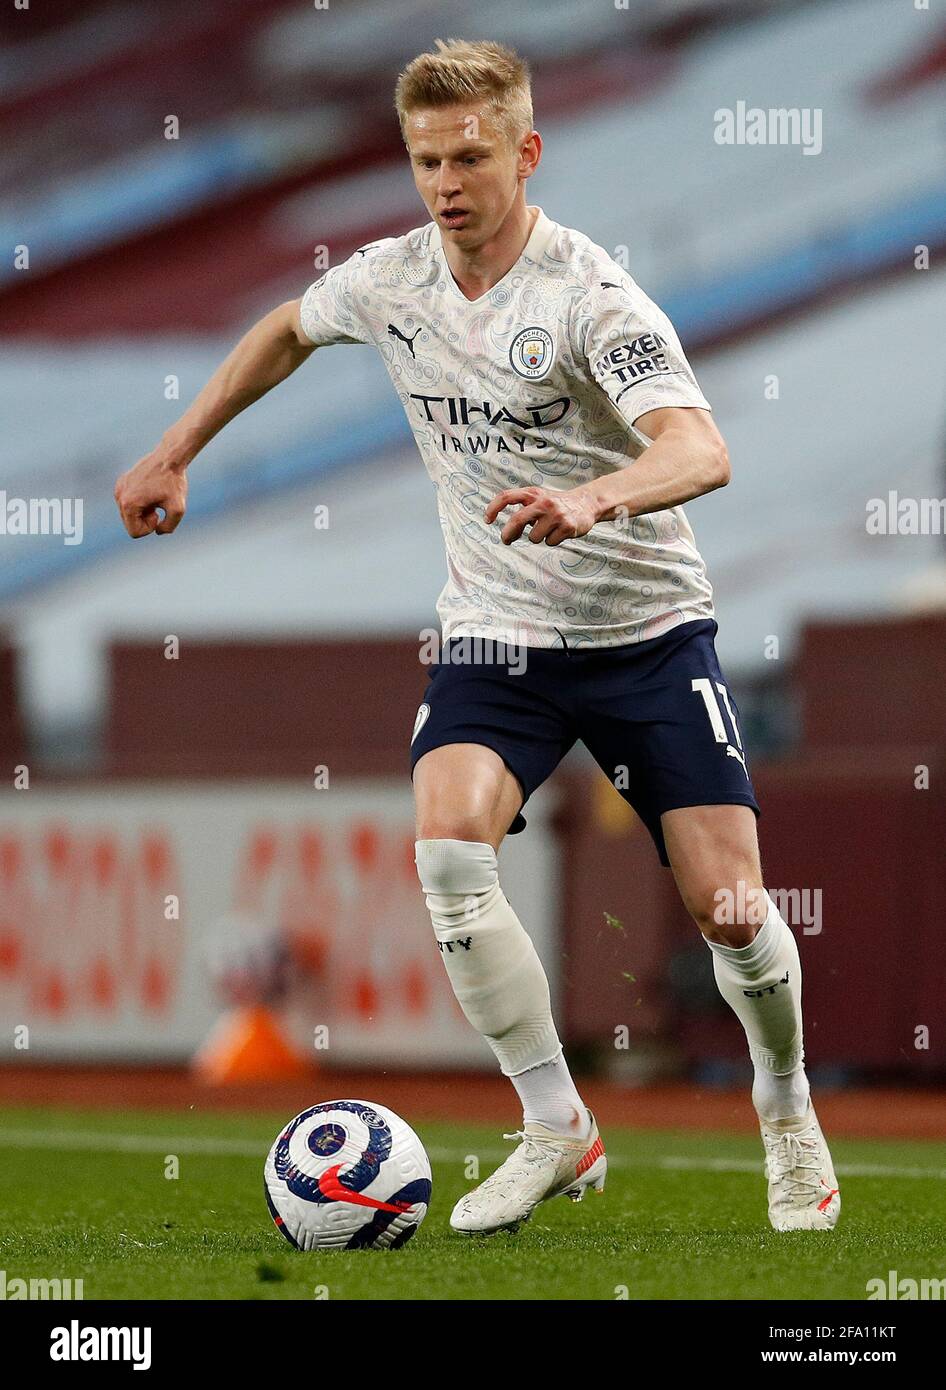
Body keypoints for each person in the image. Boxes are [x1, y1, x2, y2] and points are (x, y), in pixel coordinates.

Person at [115, 38, 840, 1238]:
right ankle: (556, 1124)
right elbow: (287, 328)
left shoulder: (589, 296)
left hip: (643, 632)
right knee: (447, 844)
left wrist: (593, 498)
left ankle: (783, 1105)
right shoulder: (394, 277)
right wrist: (174, 448)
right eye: (424, 160)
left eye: (469, 156)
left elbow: (702, 448)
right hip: (495, 631)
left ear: (526, 152)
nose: (445, 182)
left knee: (730, 911)